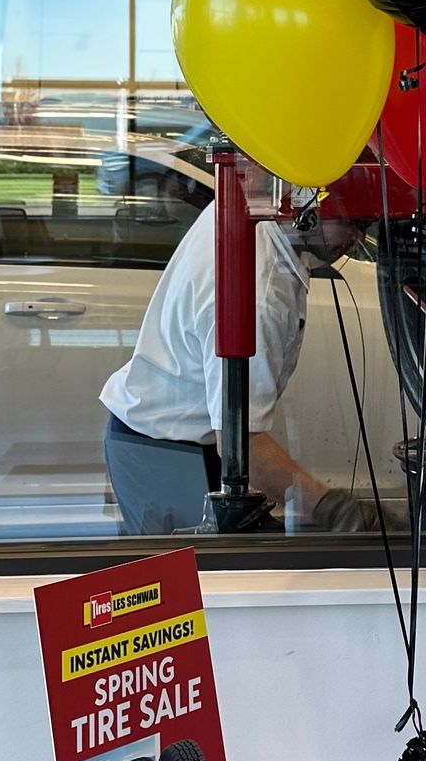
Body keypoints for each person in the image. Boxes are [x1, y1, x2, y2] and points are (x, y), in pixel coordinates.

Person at [100, 185, 369, 535]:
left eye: (365, 224)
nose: (357, 237)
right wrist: (330, 508)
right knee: (200, 584)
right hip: (166, 455)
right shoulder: (257, 292)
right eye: (350, 222)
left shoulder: (244, 208)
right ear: (306, 205)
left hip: (175, 445)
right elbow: (244, 446)